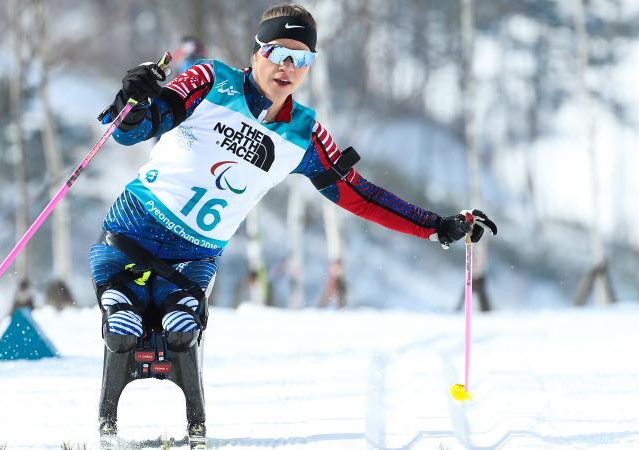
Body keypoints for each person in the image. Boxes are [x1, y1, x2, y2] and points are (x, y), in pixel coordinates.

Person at [90, 3, 497, 447]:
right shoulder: (209, 80)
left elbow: (358, 196)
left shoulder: (304, 134)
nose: (288, 66)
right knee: (122, 327)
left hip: (192, 260)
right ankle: (116, 347)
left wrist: (436, 226)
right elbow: (132, 130)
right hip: (130, 233)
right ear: (257, 52)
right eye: (279, 52)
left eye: (302, 58)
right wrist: (132, 98)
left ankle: (189, 414)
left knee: (183, 333)